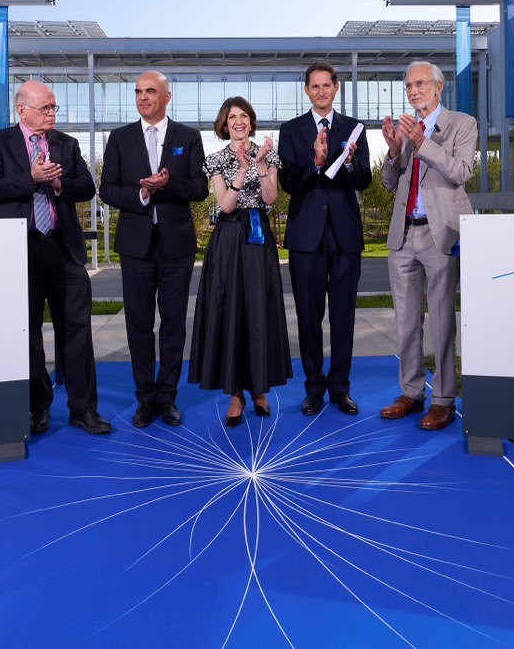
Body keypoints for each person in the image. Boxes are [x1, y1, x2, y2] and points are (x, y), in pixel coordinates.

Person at [0, 81, 109, 436]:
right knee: (28, 332)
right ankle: (38, 408)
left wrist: (58, 185)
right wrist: (30, 178)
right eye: (45, 108)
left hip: (63, 249)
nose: (52, 113)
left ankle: (84, 411)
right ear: (22, 110)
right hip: (19, 250)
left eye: (54, 107)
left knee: (78, 330)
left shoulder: (66, 144)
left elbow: (87, 187)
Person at [99, 71, 206, 428]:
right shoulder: (119, 138)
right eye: (138, 92)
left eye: (150, 91)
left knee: (174, 323)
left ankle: (167, 397)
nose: (143, 97)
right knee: (139, 324)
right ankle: (145, 399)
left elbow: (199, 188)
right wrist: (143, 193)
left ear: (167, 97)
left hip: (176, 246)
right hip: (135, 247)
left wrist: (166, 184)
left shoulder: (188, 138)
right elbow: (107, 190)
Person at [379, 61, 477, 430]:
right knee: (405, 322)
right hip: (403, 235)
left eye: (420, 83)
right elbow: (390, 183)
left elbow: (461, 171)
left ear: (438, 87)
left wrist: (421, 144)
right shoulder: (405, 129)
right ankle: (411, 391)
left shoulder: (462, 124)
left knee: (441, 323)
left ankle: (444, 399)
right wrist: (393, 152)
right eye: (408, 86)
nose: (413, 90)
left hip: (441, 234)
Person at [188, 97, 292, 426]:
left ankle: (259, 389)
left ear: (251, 120)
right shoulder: (216, 159)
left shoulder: (269, 153)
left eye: (244, 115)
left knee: (258, 312)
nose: (238, 121)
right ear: (224, 123)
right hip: (229, 240)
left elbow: (271, 197)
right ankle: (235, 393)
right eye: (232, 116)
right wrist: (244, 168)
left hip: (259, 240)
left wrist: (260, 164)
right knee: (231, 311)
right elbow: (225, 204)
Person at [277, 60, 372, 416]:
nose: (320, 91)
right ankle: (314, 387)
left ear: (336, 88)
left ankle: (340, 388)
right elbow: (289, 184)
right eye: (314, 86)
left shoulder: (354, 129)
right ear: (307, 91)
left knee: (344, 316)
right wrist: (315, 162)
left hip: (345, 236)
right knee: (308, 316)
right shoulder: (292, 130)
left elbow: (364, 180)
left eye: (326, 85)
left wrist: (347, 161)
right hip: (306, 238)